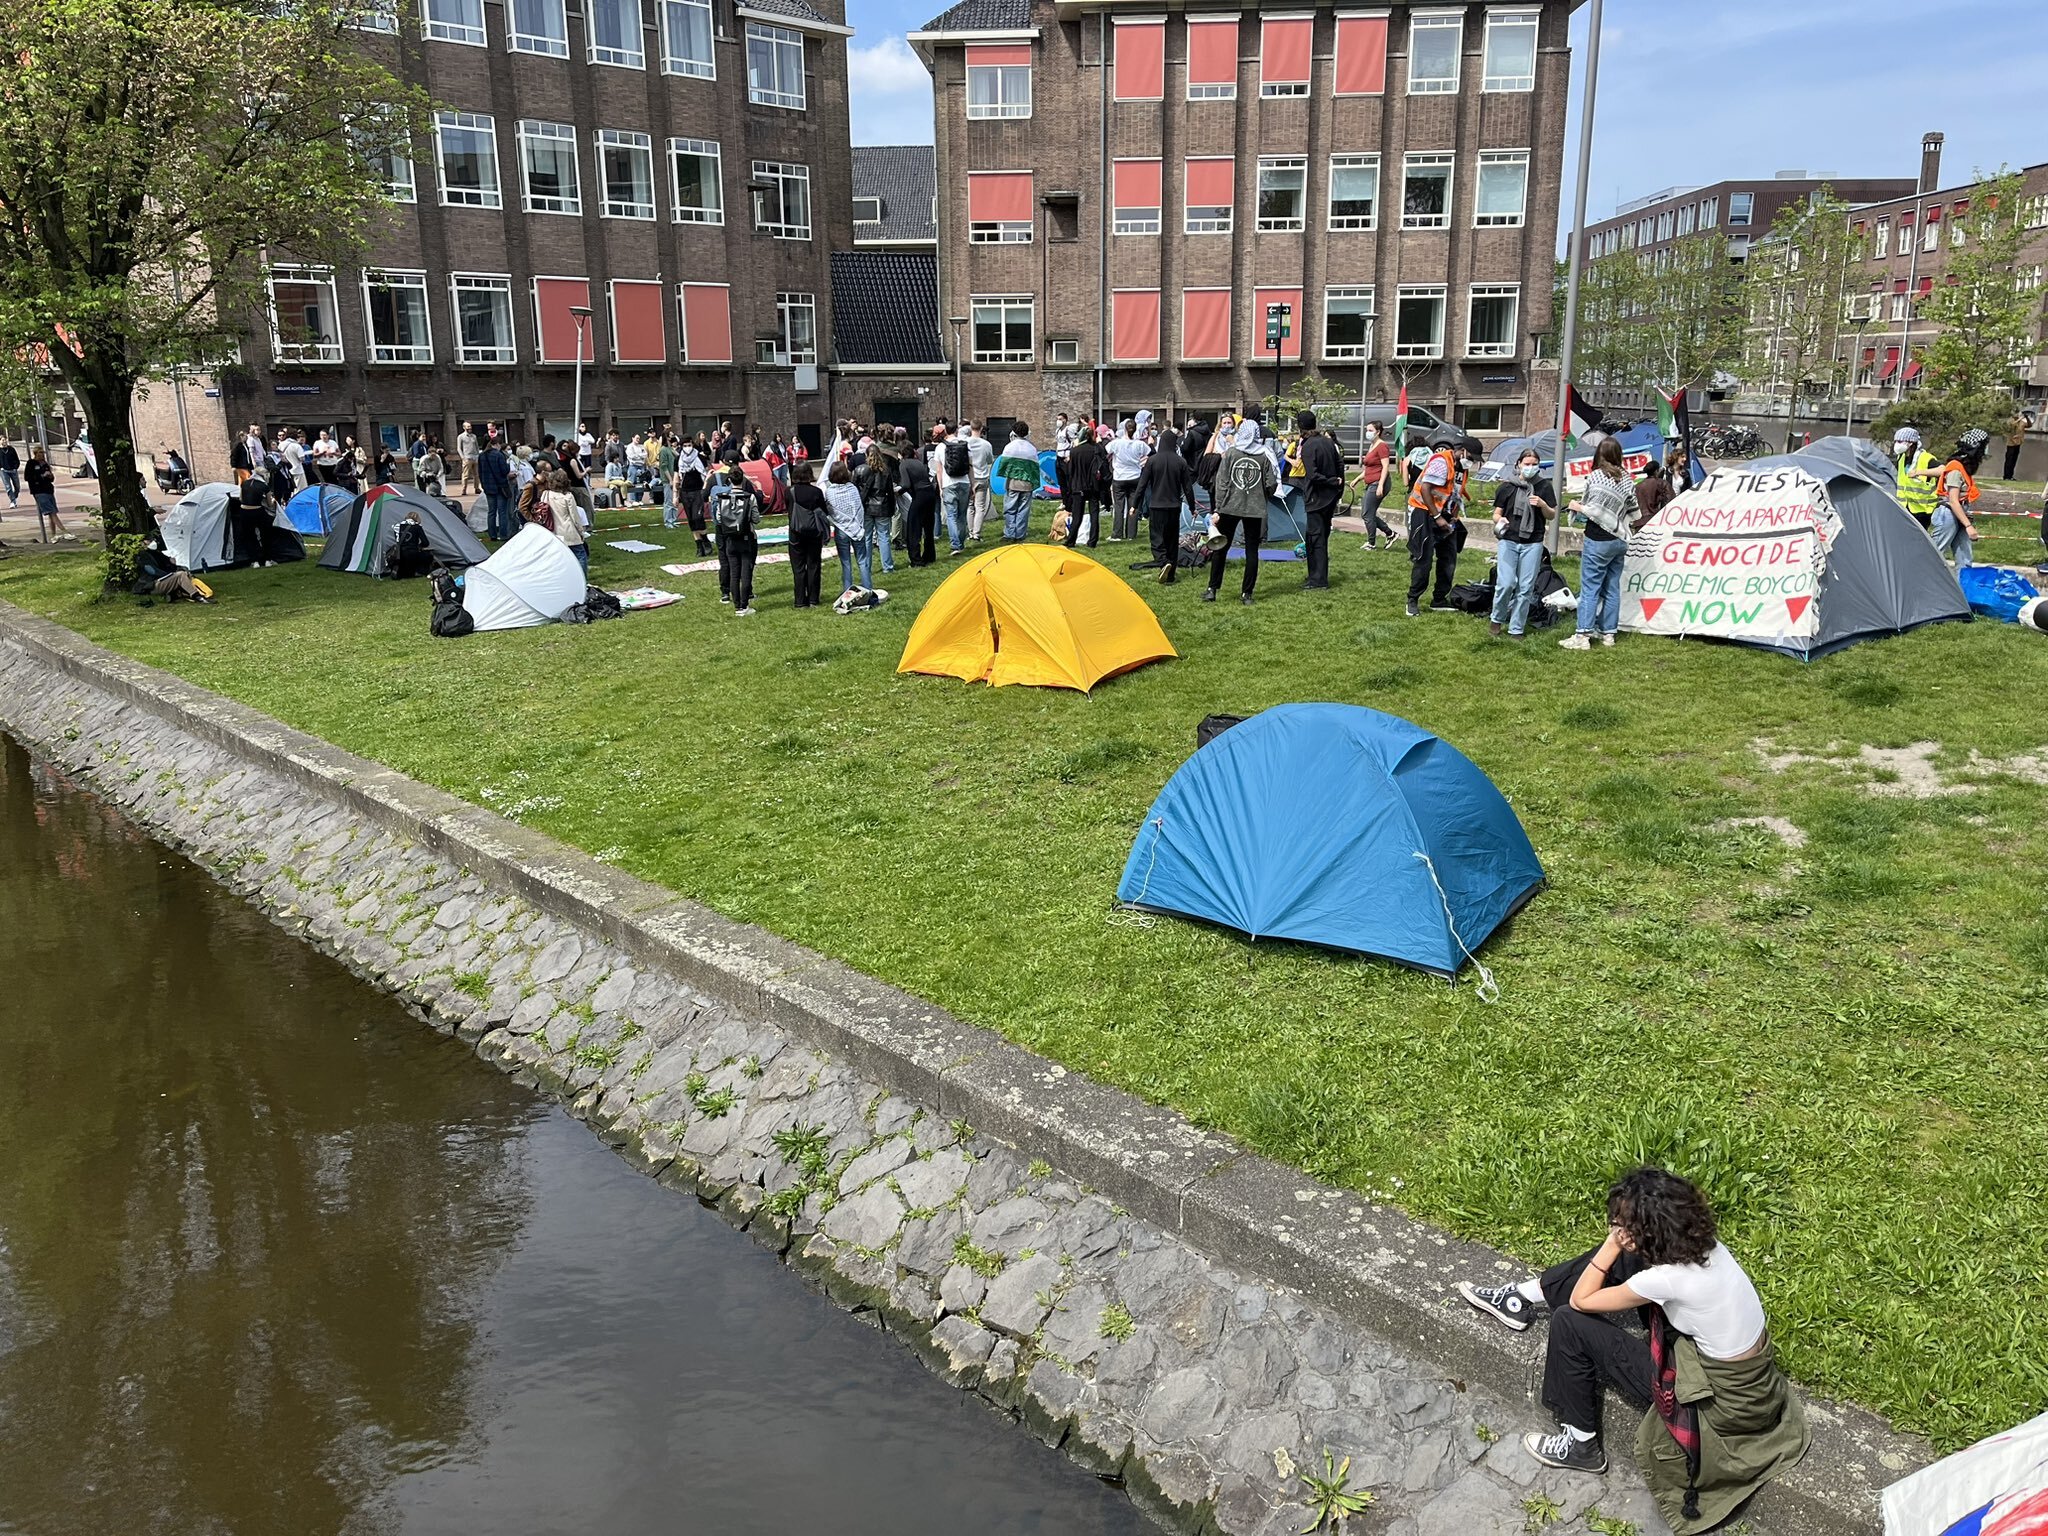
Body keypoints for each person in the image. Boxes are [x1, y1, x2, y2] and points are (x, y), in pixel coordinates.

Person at [1455, 1168, 1808, 1534]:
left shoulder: (1668, 1278)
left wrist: (1611, 1243)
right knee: (1627, 1260)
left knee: (1570, 1323)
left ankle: (1581, 1446)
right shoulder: (1706, 1247)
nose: (1616, 1228)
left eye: (1623, 1224)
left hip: (1717, 1405)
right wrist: (1625, 1244)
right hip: (1752, 1381)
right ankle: (1522, 1296)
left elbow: (1581, 1300)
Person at [1560, 437, 1636, 650]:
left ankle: (1583, 634)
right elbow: (1632, 510)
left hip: (1599, 539)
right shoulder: (1627, 479)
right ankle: (1608, 633)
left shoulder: (1596, 476)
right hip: (1620, 538)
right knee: (1612, 588)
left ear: (1599, 455)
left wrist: (1577, 506)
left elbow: (1593, 509)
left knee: (1590, 587)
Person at [1205, 420, 1275, 605]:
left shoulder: (1230, 454)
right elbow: (1271, 484)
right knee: (1252, 551)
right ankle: (1247, 594)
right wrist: (1263, 496)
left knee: (1221, 547)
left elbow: (1221, 483)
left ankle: (1212, 589)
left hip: (1229, 507)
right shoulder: (1263, 456)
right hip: (1254, 508)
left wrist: (1218, 508)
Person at [1489, 448, 1554, 639]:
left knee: (1525, 588)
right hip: (1509, 540)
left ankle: (1516, 628)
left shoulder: (1544, 487)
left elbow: (1551, 514)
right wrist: (1499, 521)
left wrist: (1543, 505)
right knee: (1506, 583)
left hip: (1533, 542)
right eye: (1527, 464)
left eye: (1534, 464)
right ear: (1518, 464)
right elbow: (1497, 513)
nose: (1530, 468)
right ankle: (1497, 618)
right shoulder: (1507, 486)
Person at [1405, 433, 1464, 618]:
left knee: (1449, 557)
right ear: (1461, 451)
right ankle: (1412, 600)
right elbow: (1425, 489)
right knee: (1424, 558)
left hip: (1444, 513)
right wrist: (1437, 516)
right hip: (1422, 510)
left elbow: (1455, 493)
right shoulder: (1441, 462)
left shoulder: (1460, 467)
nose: (1471, 462)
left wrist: (1453, 516)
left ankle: (1439, 599)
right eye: (1470, 457)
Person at [1134, 428, 1196, 583]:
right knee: (1171, 540)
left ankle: (1163, 561)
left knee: (1157, 538)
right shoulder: (1181, 462)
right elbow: (1188, 487)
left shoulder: (1152, 461)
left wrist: (1135, 505)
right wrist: (1193, 507)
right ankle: (1171, 575)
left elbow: (1142, 485)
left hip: (1157, 506)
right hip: (1174, 506)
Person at [706, 461, 763, 615]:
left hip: (729, 538)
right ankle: (745, 605)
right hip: (747, 537)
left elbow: (718, 517)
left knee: (734, 572)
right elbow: (756, 518)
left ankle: (737, 605)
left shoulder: (722, 497)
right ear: (743, 479)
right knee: (746, 572)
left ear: (729, 480)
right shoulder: (749, 497)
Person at [1297, 412, 1344, 590]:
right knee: (1319, 537)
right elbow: (1340, 464)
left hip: (1316, 498)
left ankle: (1318, 579)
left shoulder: (1308, 445)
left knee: (1316, 539)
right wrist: (1338, 485)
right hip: (1330, 497)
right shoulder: (1327, 441)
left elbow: (1312, 474)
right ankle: (1315, 575)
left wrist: (1332, 481)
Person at [1931, 428, 1987, 568]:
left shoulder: (1962, 468)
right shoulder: (1955, 469)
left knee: (1965, 558)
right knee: (1934, 554)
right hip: (1949, 514)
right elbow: (1953, 500)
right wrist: (1968, 526)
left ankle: (1962, 587)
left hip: (1959, 514)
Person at [823, 458, 871, 593]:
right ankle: (868, 589)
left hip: (841, 530)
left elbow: (830, 510)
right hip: (856, 527)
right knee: (862, 561)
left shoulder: (829, 491)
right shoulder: (853, 488)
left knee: (846, 563)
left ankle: (847, 591)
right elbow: (858, 507)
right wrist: (858, 523)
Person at [787, 461, 831, 606]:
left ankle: (799, 600)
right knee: (814, 565)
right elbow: (824, 512)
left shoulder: (790, 491)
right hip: (814, 533)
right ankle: (813, 599)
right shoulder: (816, 492)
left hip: (795, 533)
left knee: (798, 568)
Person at [1352, 421, 1399, 549]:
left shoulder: (1382, 446)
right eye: (1367, 430)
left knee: (1367, 514)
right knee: (1368, 513)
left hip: (1378, 483)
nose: (1368, 433)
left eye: (1370, 430)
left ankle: (1371, 543)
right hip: (1371, 482)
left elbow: (1385, 467)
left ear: (1378, 432)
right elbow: (1369, 468)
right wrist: (1357, 479)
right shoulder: (1372, 445)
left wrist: (1380, 485)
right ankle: (1390, 534)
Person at [993, 421, 1041, 542]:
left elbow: (1003, 465)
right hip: (1027, 484)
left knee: (1010, 508)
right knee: (1023, 510)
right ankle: (1020, 534)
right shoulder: (1032, 448)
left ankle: (1009, 533)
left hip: (1013, 483)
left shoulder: (1010, 447)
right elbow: (1035, 468)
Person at [854, 445, 897, 576]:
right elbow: (890, 491)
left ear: (866, 455)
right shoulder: (885, 470)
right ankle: (887, 566)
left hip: (866, 506)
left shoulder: (860, 469)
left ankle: (866, 567)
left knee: (867, 537)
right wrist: (892, 506)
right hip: (882, 505)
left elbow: (854, 488)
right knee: (883, 537)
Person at [1065, 425, 1108, 548]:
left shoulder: (1074, 451)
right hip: (1093, 485)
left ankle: (1071, 540)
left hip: (1078, 486)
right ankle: (1093, 540)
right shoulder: (1097, 448)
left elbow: (1070, 471)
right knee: (1094, 514)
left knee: (1077, 515)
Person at [1108, 417, 1150, 542]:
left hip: (1119, 477)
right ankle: (1131, 534)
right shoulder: (1140, 444)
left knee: (1119, 506)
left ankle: (1117, 534)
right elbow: (1149, 452)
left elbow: (1105, 451)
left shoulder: (1116, 443)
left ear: (1124, 429)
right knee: (1134, 506)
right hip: (1135, 477)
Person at [1891, 427, 1941, 529]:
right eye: (1896, 441)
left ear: (1911, 443)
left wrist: (1919, 472)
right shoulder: (1901, 458)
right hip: (1904, 507)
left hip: (1922, 510)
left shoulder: (1926, 458)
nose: (1897, 444)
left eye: (1900, 441)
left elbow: (1943, 470)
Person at [542, 469, 588, 575]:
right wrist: (581, 532)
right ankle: (582, 581)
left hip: (553, 531)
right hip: (569, 531)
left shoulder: (546, 494)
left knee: (558, 559)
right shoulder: (568, 497)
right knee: (580, 555)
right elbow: (575, 518)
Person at [899, 443, 938, 566]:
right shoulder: (919, 463)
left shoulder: (904, 464)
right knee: (928, 527)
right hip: (930, 494)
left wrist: (898, 491)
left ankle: (916, 560)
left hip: (919, 496)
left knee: (913, 528)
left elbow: (906, 484)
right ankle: (930, 555)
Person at [938, 426, 973, 554]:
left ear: (946, 431)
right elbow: (970, 466)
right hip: (964, 482)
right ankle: (961, 543)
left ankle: (955, 545)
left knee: (951, 516)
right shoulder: (965, 445)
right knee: (962, 515)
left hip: (948, 484)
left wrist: (941, 487)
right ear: (957, 431)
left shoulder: (940, 447)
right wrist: (972, 484)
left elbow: (939, 470)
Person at [24, 445, 70, 539]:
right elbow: (27, 477)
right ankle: (65, 532)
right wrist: (41, 476)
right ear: (36, 454)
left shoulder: (45, 464)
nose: (42, 455)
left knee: (52, 513)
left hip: (48, 489)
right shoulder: (31, 463)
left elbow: (52, 478)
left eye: (43, 453)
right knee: (51, 512)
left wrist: (50, 476)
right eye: (40, 453)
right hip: (39, 491)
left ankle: (53, 535)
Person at [233, 468, 277, 567]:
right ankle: (267, 560)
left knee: (249, 536)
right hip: (258, 511)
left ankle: (255, 561)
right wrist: (272, 501)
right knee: (265, 535)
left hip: (244, 511)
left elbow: (241, 498)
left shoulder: (244, 484)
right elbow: (270, 504)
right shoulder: (264, 486)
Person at [478, 434, 514, 541]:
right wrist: (508, 465)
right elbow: (504, 470)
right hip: (500, 485)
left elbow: (480, 472)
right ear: (497, 444)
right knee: (502, 512)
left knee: (491, 512)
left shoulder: (482, 455)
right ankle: (503, 535)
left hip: (488, 486)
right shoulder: (499, 455)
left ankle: (492, 535)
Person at [965, 423, 995, 541]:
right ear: (981, 429)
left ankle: (970, 532)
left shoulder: (965, 442)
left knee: (970, 506)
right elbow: (989, 460)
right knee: (980, 506)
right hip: (981, 477)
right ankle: (976, 533)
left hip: (969, 477)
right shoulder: (986, 444)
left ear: (970, 428)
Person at [1633, 458, 1676, 527]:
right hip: (1654, 521)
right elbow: (1671, 500)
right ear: (1656, 471)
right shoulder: (1661, 483)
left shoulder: (1637, 486)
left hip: (1638, 523)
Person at [2004, 407, 2034, 482]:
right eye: (2017, 413)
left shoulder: (2022, 422)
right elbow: (2012, 426)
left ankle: (2011, 476)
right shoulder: (2010, 421)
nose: (2018, 414)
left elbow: (2029, 425)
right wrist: (2019, 419)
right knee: (2009, 460)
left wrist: (2027, 418)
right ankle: (2006, 476)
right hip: (2011, 444)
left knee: (2014, 460)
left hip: (2018, 443)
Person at [456, 420, 481, 494]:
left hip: (475, 457)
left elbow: (476, 446)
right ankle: (464, 489)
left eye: (470, 426)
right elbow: (459, 448)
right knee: (465, 475)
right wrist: (463, 457)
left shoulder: (474, 436)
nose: (469, 427)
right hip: (467, 457)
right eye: (468, 426)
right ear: (464, 427)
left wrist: (477, 455)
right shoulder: (461, 436)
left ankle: (477, 488)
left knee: (476, 475)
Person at [1, 439, 22, 508]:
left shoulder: (11, 449)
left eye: (5, 440)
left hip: (13, 470)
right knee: (8, 487)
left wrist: (15, 467)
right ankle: (13, 501)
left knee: (17, 487)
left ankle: (14, 497)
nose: (5, 442)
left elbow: (16, 459)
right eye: (3, 440)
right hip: (3, 471)